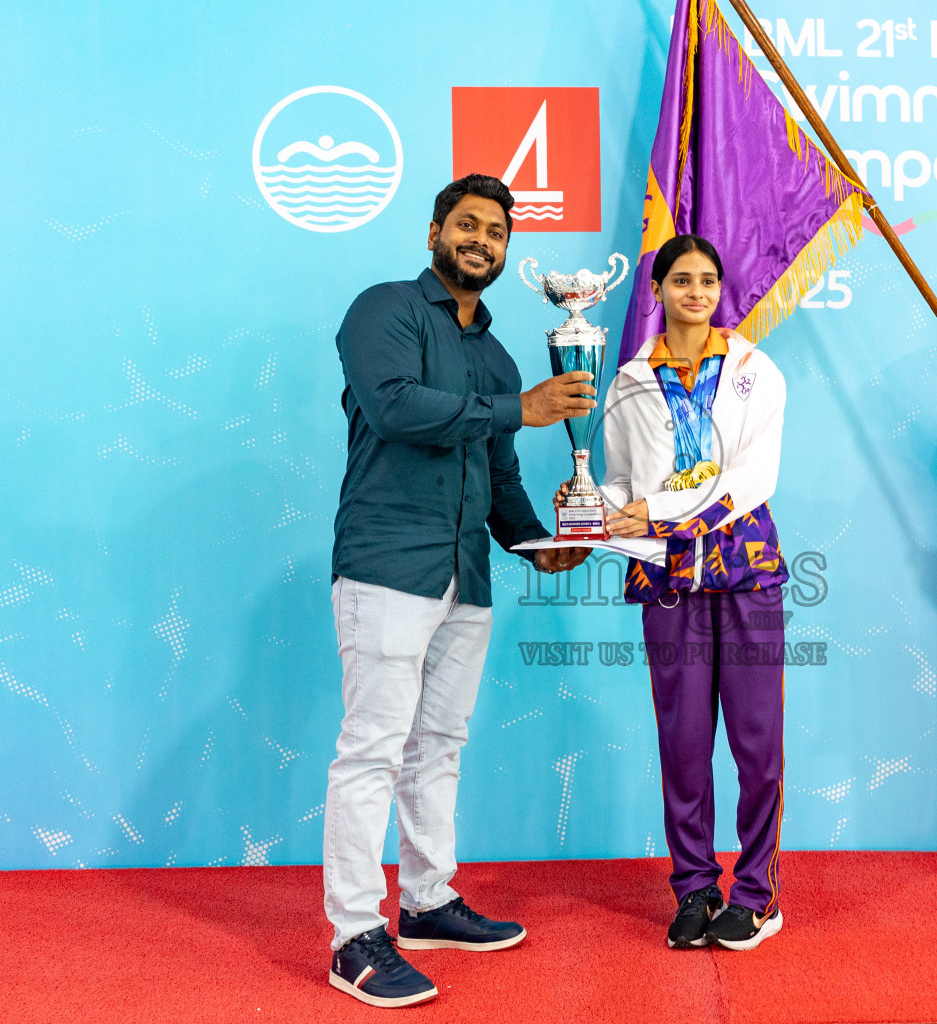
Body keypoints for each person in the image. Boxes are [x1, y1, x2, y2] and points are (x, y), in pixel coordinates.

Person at [324, 174, 592, 1008]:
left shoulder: (498, 357)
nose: (482, 240)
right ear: (435, 231)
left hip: (465, 575)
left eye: (497, 232)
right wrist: (519, 408)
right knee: (373, 747)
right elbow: (397, 409)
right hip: (389, 563)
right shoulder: (385, 309)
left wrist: (536, 544)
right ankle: (352, 937)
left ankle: (427, 902)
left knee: (439, 744)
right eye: (467, 225)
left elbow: (499, 473)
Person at [593, 234, 790, 950]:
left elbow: (753, 479)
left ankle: (757, 893)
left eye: (708, 280)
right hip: (668, 579)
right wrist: (596, 508)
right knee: (682, 744)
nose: (696, 292)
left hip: (744, 572)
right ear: (658, 290)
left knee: (757, 743)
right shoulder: (628, 381)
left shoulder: (755, 371)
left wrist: (656, 511)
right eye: (682, 280)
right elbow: (622, 480)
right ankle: (695, 888)